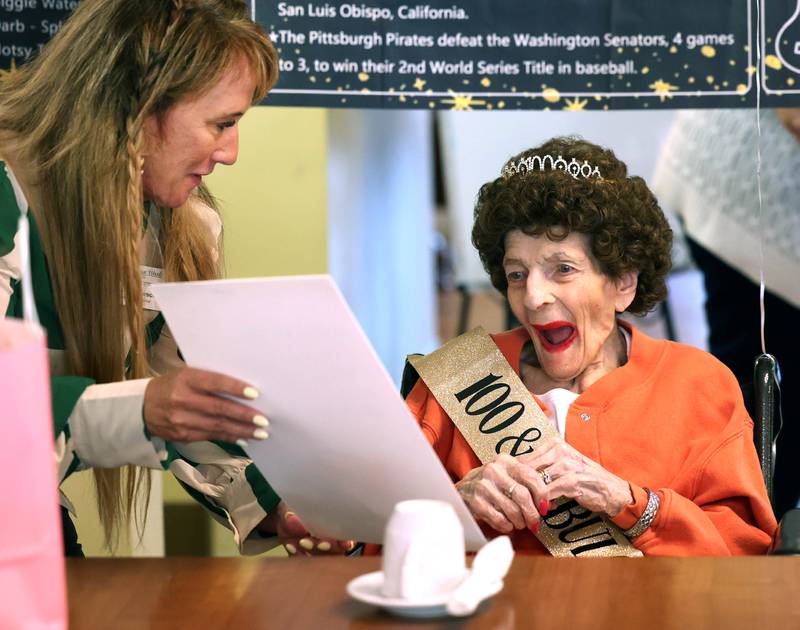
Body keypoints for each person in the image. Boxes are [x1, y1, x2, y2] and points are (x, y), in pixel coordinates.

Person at [0, 0, 348, 557]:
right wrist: (139, 410)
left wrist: (277, 505)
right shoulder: (5, 192)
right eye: (222, 123)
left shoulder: (182, 226)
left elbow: (188, 400)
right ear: (136, 107)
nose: (231, 152)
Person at [405, 137, 777, 555]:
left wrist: (629, 503)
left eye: (562, 269)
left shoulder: (697, 384)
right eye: (516, 274)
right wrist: (453, 505)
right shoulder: (458, 377)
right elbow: (364, 535)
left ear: (622, 283)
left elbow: (744, 554)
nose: (532, 297)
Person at [653, 109, 800, 519]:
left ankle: (742, 523)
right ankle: (745, 527)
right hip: (748, 178)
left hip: (739, 177)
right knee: (753, 380)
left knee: (747, 374)